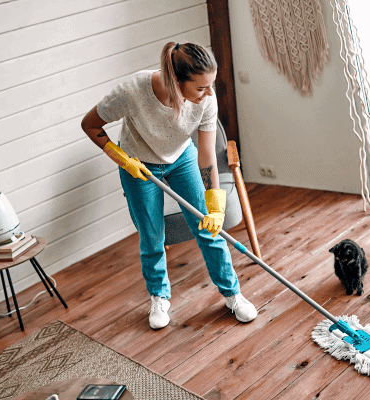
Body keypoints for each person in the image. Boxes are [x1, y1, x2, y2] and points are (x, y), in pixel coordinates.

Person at [81, 42, 258, 329]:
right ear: (176, 82)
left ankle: (233, 294)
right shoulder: (133, 91)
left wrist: (215, 204)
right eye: (201, 87)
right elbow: (89, 124)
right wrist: (121, 158)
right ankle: (159, 297)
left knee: (208, 229)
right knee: (151, 236)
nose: (209, 93)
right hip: (137, 164)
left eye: (211, 85)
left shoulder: (206, 100)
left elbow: (207, 153)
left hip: (181, 158)